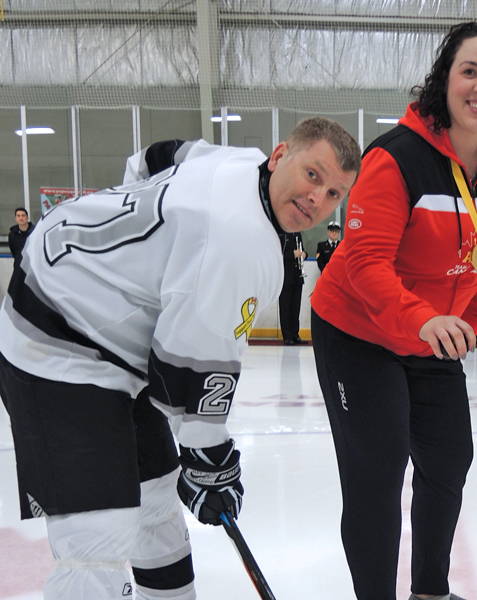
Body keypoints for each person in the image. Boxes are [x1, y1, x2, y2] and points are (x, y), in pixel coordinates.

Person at [0, 118, 360, 600]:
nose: (319, 199)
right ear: (279, 156)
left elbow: (154, 157)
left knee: (155, 501)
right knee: (98, 537)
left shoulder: (234, 160)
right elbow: (188, 374)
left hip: (95, 317)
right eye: (313, 175)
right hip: (54, 335)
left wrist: (141, 255)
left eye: (335, 193)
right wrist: (210, 461)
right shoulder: (240, 241)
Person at [310, 21, 477, 600]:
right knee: (377, 475)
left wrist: (468, 326)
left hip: (430, 338)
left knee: (449, 458)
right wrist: (424, 320)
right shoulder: (396, 158)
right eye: (469, 71)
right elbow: (365, 264)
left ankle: (431, 591)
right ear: (445, 79)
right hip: (357, 331)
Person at [279, 229, 308, 345]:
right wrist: (292, 254)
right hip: (286, 277)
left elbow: (302, 250)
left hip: (298, 275)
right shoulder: (282, 235)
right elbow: (278, 255)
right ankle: (287, 335)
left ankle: (295, 334)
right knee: (286, 307)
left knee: (296, 307)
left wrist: (304, 254)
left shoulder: (297, 234)